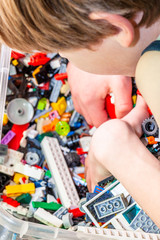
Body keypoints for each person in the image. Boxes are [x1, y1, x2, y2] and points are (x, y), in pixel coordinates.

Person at [0, 0, 160, 226]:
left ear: (114, 28)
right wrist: (102, 48)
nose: (66, 61)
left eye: (63, 53)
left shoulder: (154, 68)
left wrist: (118, 150)